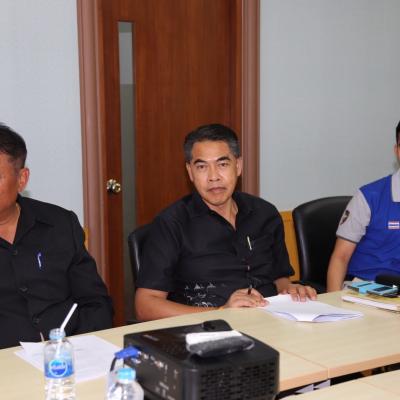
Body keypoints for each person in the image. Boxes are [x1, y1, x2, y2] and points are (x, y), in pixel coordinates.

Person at [135, 123, 316, 321]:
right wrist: (221, 312)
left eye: (222, 164)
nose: (213, 177)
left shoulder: (265, 213)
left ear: (238, 166)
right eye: (202, 167)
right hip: (207, 330)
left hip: (272, 321)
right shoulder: (171, 223)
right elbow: (145, 305)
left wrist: (290, 289)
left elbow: (279, 277)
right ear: (190, 172)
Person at [0, 123, 113, 349]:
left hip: (68, 352)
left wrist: (74, 347)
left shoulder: (60, 223)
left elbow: (96, 303)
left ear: (22, 179)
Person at [327, 121, 400, 292]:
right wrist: (331, 303)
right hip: (369, 289)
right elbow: (340, 258)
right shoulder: (369, 197)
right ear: (397, 151)